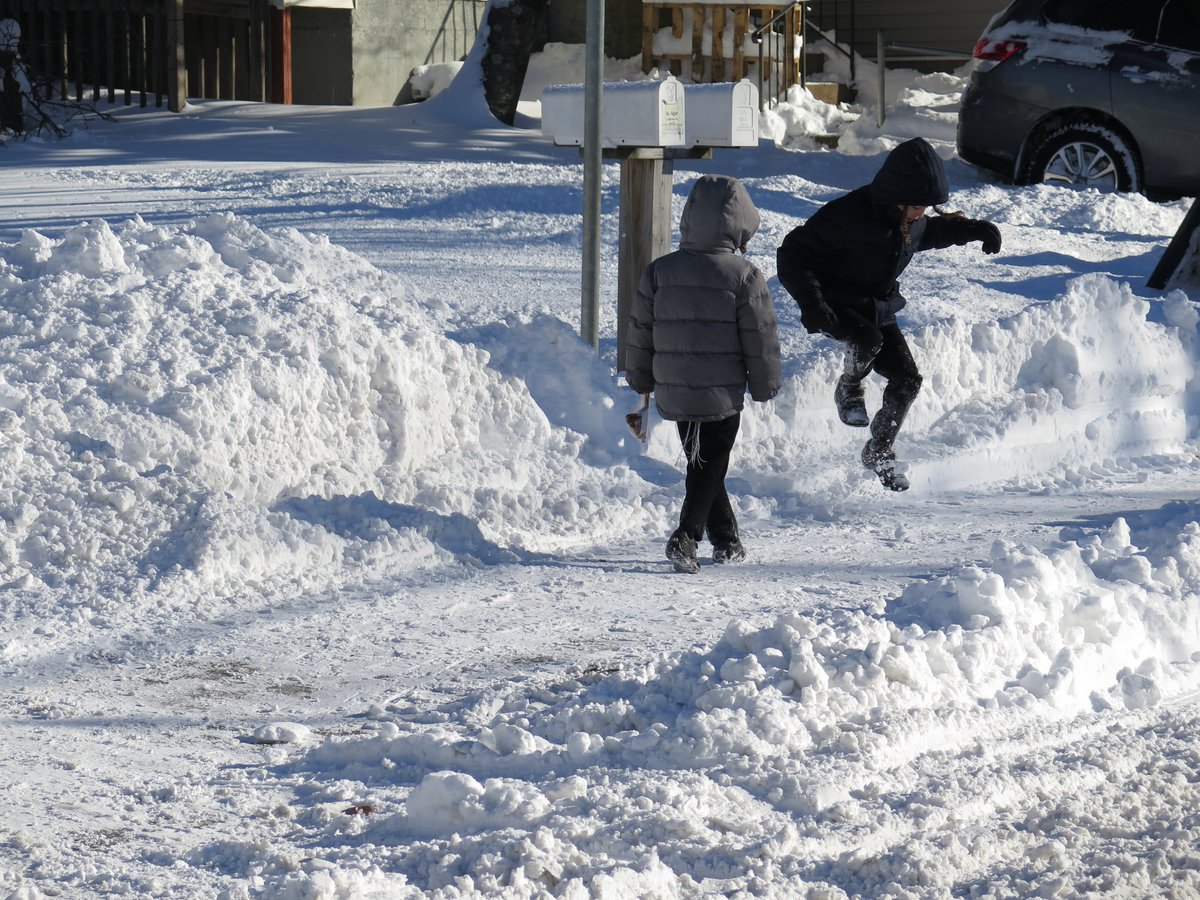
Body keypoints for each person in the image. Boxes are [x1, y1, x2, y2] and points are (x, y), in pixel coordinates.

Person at [776, 137, 1002, 491]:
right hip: (834, 301)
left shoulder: (911, 221)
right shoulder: (847, 215)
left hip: (876, 306)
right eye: (915, 206)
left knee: (908, 380)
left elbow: (935, 231)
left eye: (925, 207)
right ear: (894, 195)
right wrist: (811, 301)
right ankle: (849, 388)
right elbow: (793, 251)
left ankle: (879, 450)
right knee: (867, 339)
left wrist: (973, 230)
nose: (920, 213)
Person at [625, 174, 782, 574]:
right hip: (721, 391)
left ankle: (726, 539)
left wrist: (641, 379)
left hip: (674, 389)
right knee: (709, 462)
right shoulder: (744, 275)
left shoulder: (660, 271)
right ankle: (687, 534)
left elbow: (640, 331)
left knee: (704, 462)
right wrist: (765, 385)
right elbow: (759, 337)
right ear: (740, 222)